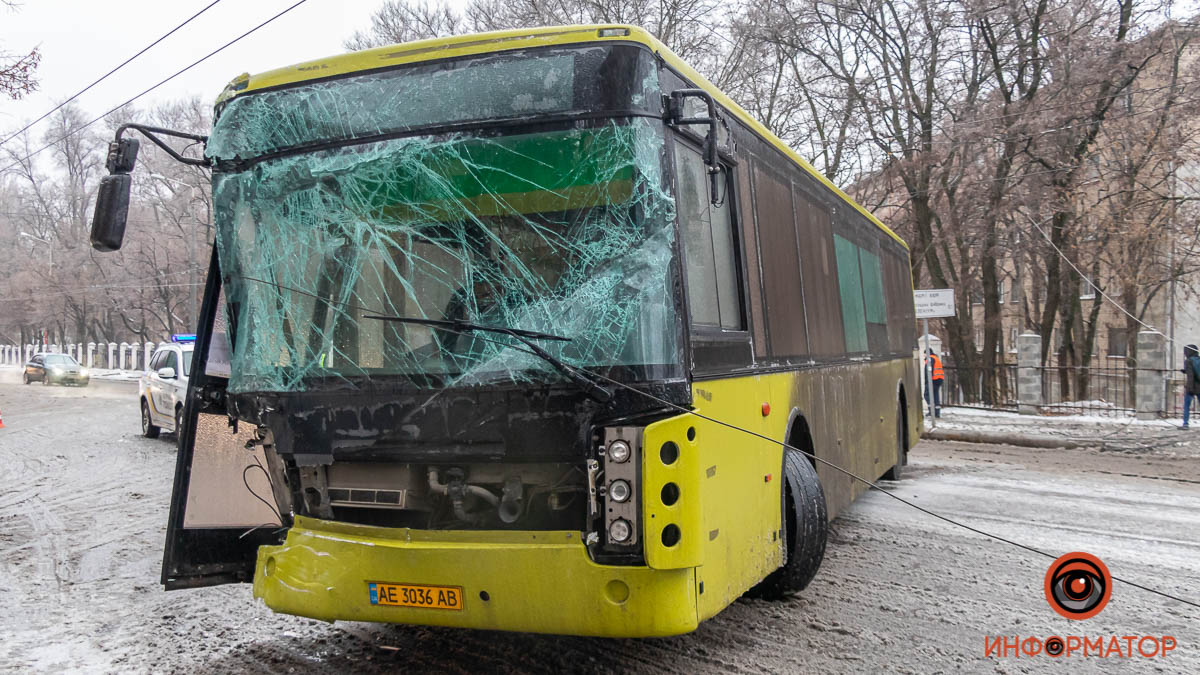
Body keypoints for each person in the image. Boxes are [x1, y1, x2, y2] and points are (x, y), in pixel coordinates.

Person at [1181, 344, 1200, 428]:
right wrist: (1185, 371)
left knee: (1186, 405)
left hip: (1192, 387)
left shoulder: (1188, 361)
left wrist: (1190, 388)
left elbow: (1191, 376)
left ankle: (1185, 423)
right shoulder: (1198, 360)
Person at [924, 348, 945, 418]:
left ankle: (932, 411)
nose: (924, 356)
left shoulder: (930, 359)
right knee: (935, 396)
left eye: (924, 354)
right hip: (939, 379)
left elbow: (929, 371)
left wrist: (927, 381)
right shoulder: (935, 358)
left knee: (927, 395)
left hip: (933, 380)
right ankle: (937, 412)